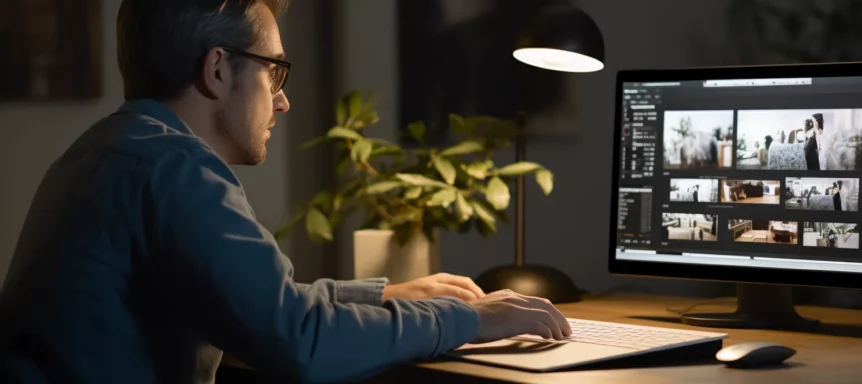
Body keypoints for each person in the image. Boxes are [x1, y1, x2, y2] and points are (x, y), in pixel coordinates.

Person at [0, 1, 570, 383]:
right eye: (274, 71)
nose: (282, 99)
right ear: (218, 70)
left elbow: (258, 308)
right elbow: (299, 341)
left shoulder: (112, 148)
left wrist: (384, 296)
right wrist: (469, 320)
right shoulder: (175, 168)